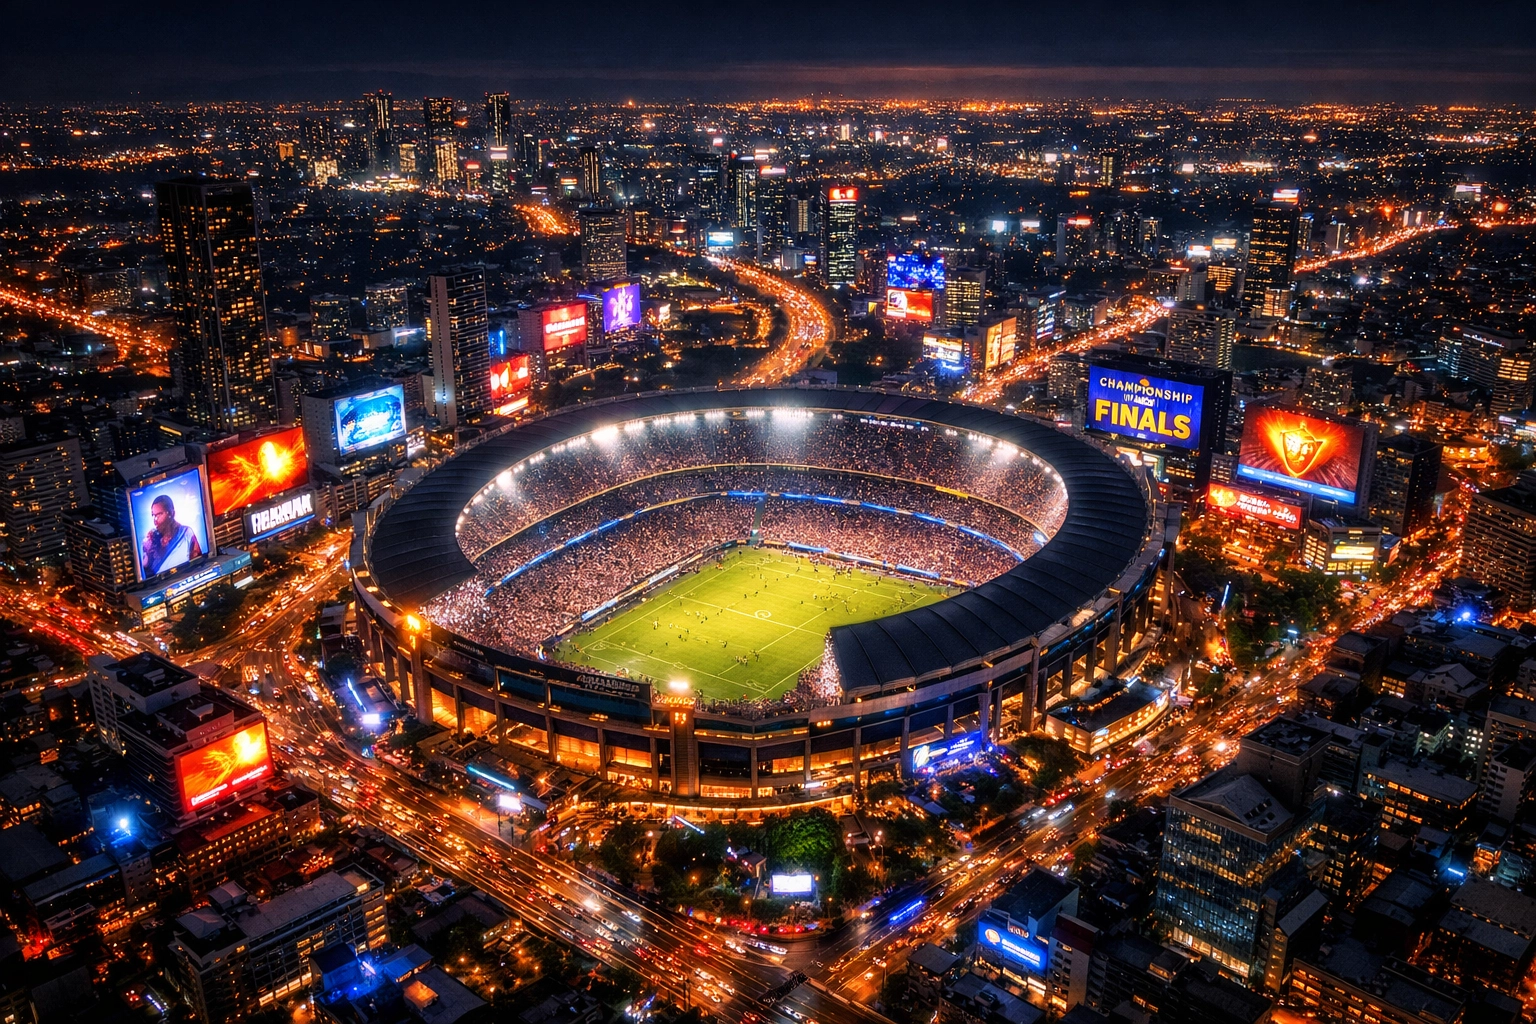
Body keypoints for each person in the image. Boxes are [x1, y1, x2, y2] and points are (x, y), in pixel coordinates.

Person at [140, 493, 203, 577]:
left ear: (171, 513)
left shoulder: (186, 533)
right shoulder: (150, 540)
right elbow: (147, 572)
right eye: (153, 515)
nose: (155, 520)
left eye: (159, 514)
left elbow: (198, 564)